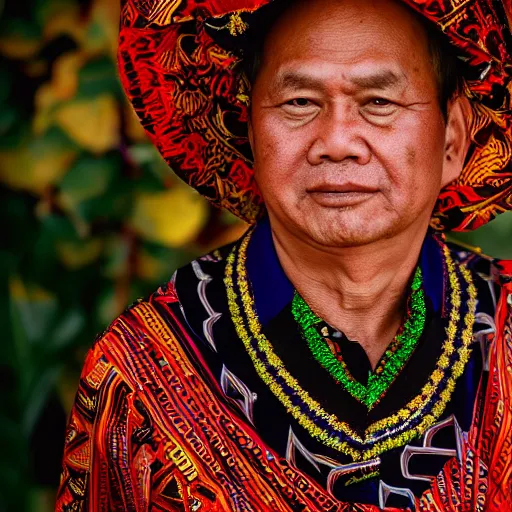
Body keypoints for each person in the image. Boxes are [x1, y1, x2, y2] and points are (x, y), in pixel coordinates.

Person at [56, 0, 512, 510]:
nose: (337, 142)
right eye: (299, 102)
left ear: (453, 139)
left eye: (380, 101)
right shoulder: (142, 369)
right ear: (249, 133)